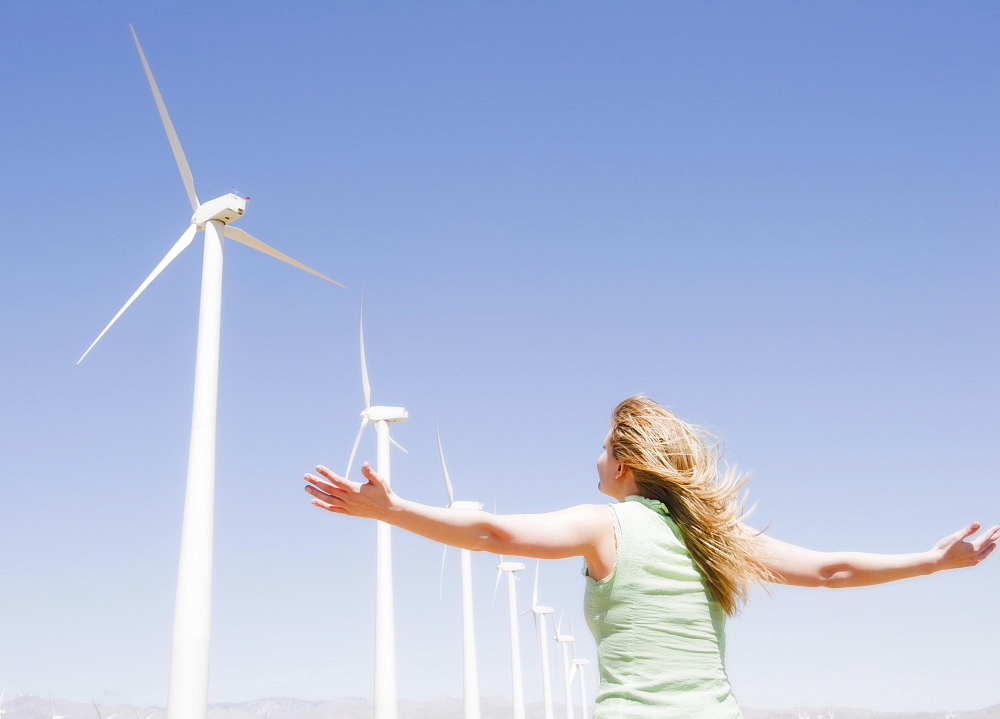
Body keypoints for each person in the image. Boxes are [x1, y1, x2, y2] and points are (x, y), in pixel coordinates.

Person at [302, 395, 998, 718]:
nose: (595, 457)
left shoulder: (606, 525)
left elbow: (492, 533)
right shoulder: (716, 539)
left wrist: (392, 511)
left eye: (604, 446)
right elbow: (829, 570)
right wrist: (932, 561)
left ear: (627, 462)